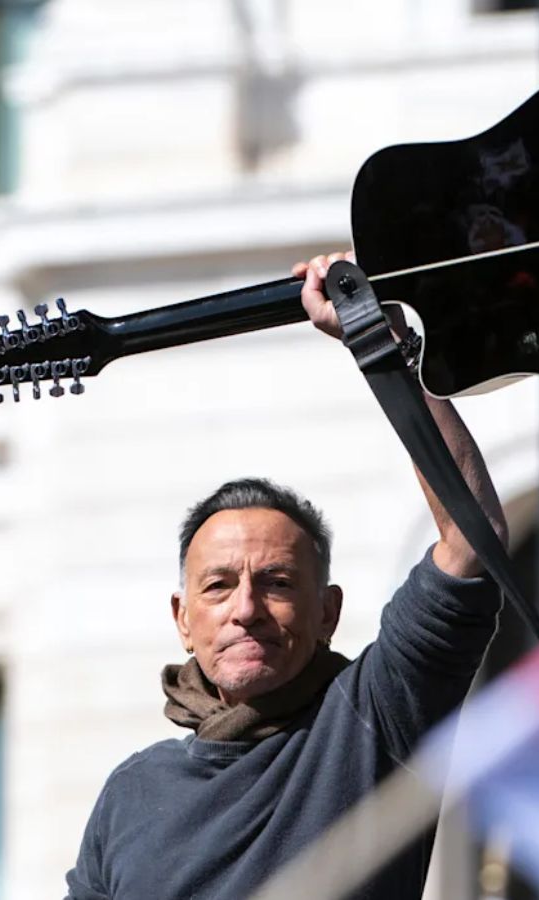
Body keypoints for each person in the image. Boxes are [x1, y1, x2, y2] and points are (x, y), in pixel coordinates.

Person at [64, 252, 507, 899]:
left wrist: (379, 344)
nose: (246, 608)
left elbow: (472, 541)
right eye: (217, 587)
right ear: (183, 619)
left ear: (326, 611)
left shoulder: (374, 719)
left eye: (275, 582)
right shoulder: (130, 794)